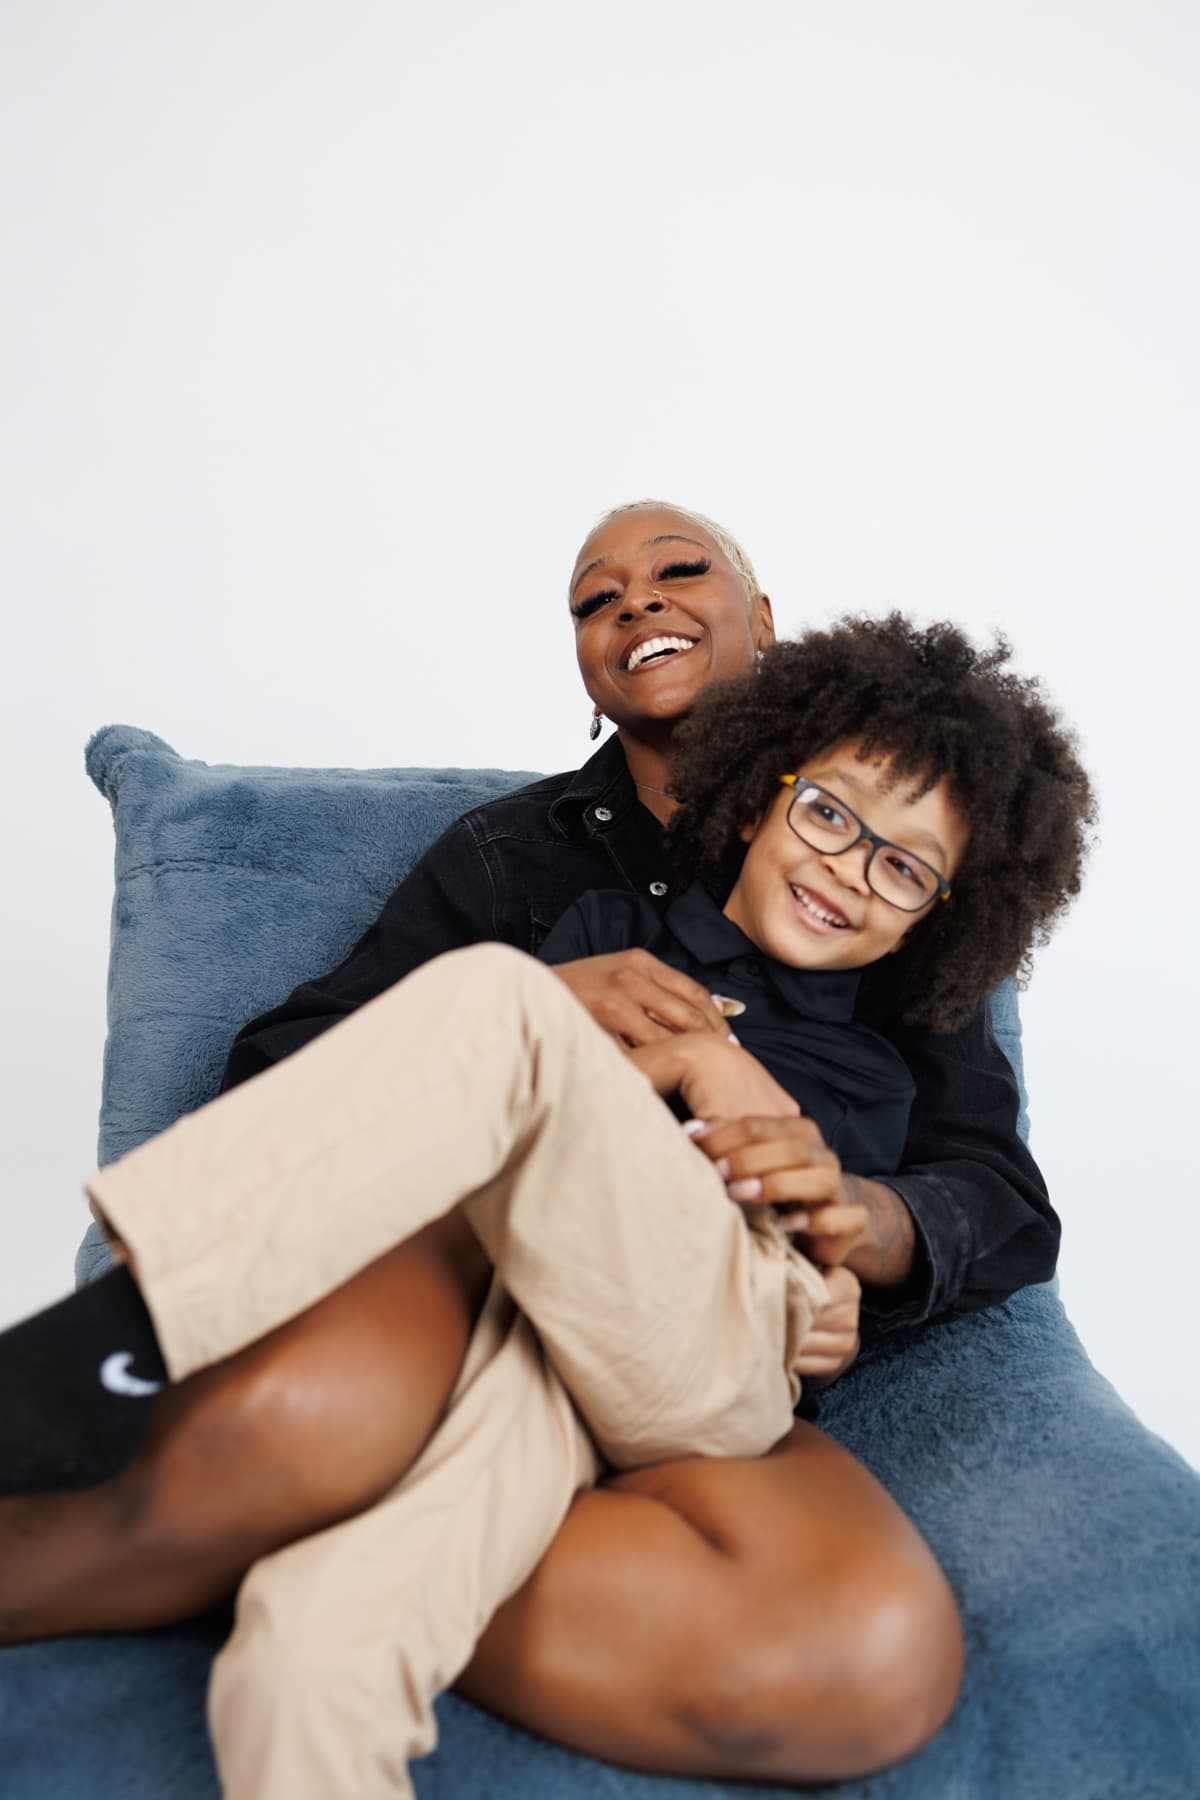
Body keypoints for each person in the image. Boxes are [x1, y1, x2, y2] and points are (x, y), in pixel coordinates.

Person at [0, 506, 1067, 1787]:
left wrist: (838, 1214)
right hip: (526, 1339)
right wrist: (606, 1030)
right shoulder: (581, 904)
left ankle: (119, 1342)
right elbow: (421, 1100)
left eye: (907, 872)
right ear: (760, 802)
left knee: (501, 1000)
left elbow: (933, 1215)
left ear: (939, 924)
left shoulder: (876, 1051)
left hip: (716, 1343)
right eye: (833, 818)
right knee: (324, 1638)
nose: (852, 870)